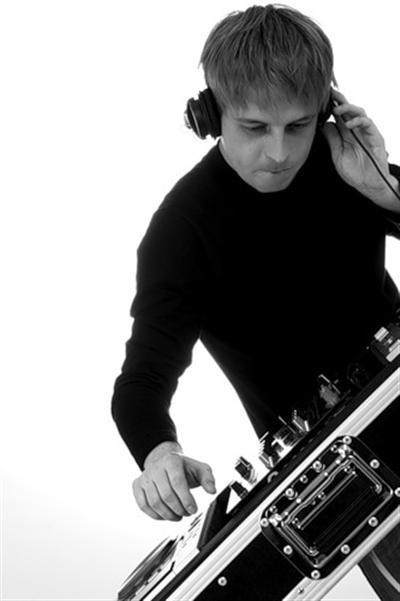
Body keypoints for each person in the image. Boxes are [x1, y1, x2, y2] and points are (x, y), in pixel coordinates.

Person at [111, 4, 400, 598]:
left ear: (328, 109)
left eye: (299, 125)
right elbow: (141, 381)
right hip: (353, 466)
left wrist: (385, 190)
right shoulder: (181, 231)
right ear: (210, 115)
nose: (279, 152)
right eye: (254, 128)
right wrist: (158, 453)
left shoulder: (347, 162)